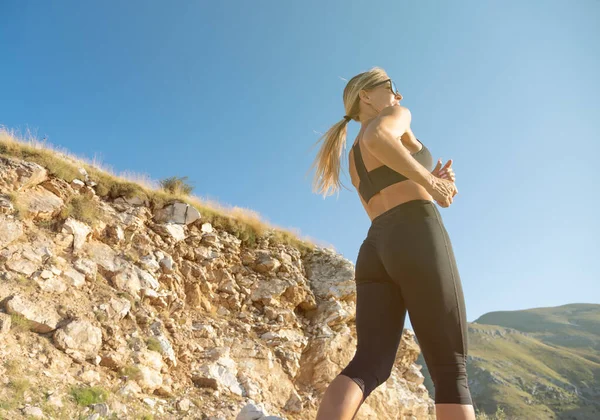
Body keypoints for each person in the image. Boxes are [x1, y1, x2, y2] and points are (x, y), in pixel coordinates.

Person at [309, 67, 475, 420]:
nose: (399, 96)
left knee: (369, 365)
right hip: (415, 232)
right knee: (450, 368)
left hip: (376, 247)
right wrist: (431, 182)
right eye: (392, 87)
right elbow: (381, 138)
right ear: (367, 96)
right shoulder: (392, 117)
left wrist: (437, 183)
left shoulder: (352, 152)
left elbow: (403, 168)